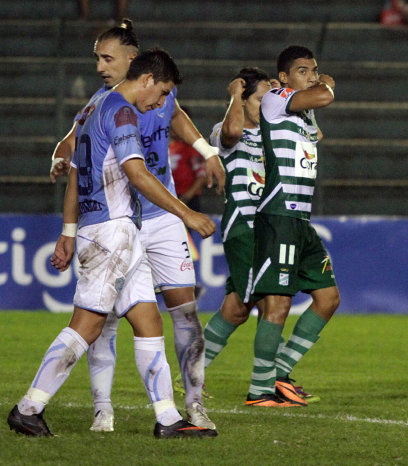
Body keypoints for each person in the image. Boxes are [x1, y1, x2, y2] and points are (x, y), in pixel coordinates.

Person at [7, 49, 217, 439]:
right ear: (148, 79)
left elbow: (73, 175)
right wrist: (186, 214)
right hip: (110, 232)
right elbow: (137, 173)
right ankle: (28, 408)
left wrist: (69, 231)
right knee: (87, 326)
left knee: (148, 319)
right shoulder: (121, 110)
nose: (161, 103)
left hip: (114, 231)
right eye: (163, 91)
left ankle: (168, 419)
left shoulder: (93, 108)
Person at [246, 45, 340, 407]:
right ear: (283, 78)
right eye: (303, 70)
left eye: (315, 69)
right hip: (279, 215)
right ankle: (259, 391)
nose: (312, 75)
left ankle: (280, 373)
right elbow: (322, 96)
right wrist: (325, 87)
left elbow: (316, 134)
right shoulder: (275, 98)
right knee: (278, 304)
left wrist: (316, 96)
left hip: (301, 219)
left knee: (328, 298)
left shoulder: (301, 114)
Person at [169, 107, 207, 212]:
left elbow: (201, 176)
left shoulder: (192, 147)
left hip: (187, 199)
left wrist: (186, 197)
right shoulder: (164, 146)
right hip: (169, 197)